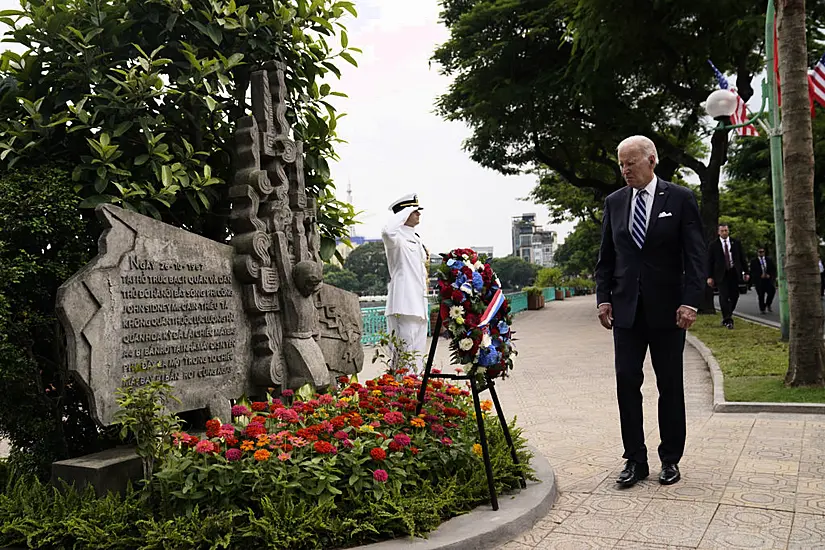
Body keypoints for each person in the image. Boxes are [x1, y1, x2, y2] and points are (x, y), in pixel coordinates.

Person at [595, 135, 705, 488]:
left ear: (651, 161)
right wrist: (603, 298)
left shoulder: (680, 198)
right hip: (626, 310)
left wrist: (690, 301)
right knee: (627, 382)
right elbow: (606, 258)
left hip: (669, 311)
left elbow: (696, 256)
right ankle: (635, 460)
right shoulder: (614, 202)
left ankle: (670, 459)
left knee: (669, 384)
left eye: (631, 163)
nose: (625, 170)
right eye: (621, 164)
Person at [381, 193, 429, 374]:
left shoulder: (416, 238)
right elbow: (386, 231)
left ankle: (416, 395)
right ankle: (402, 395)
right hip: (403, 304)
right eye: (414, 210)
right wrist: (401, 215)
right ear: (403, 213)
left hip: (419, 304)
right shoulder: (395, 238)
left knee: (417, 359)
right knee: (403, 358)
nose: (418, 214)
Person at [707, 225, 748, 329]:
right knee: (723, 296)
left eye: (726, 230)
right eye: (722, 231)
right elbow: (709, 262)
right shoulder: (713, 245)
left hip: (733, 272)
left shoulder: (736, 243)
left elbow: (742, 258)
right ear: (718, 232)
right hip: (721, 274)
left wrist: (746, 272)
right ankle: (727, 319)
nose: (724, 232)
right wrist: (709, 276)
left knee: (735, 295)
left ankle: (728, 313)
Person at [749, 247, 777, 314]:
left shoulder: (769, 260)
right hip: (759, 281)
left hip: (768, 280)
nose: (761, 253)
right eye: (759, 252)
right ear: (757, 253)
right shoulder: (753, 261)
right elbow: (752, 272)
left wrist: (770, 275)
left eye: (762, 252)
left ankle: (768, 304)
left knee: (772, 292)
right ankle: (762, 309)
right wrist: (759, 276)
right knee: (761, 295)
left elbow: (773, 269)